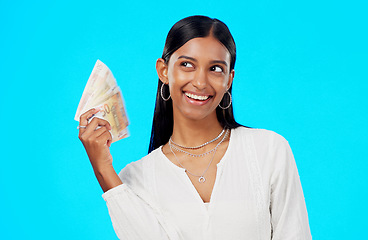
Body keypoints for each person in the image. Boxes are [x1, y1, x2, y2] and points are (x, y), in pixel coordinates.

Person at [78, 15, 311, 239]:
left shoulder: (269, 150)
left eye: (215, 68)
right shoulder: (136, 178)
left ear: (229, 79)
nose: (200, 82)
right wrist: (103, 170)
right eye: (187, 64)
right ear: (164, 71)